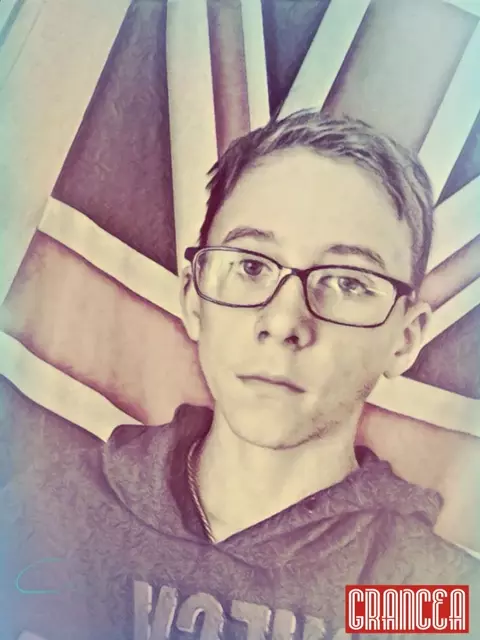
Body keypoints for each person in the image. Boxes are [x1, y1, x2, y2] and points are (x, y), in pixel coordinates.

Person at [1, 110, 479, 640]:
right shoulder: (52, 515)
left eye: (348, 282)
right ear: (194, 299)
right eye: (252, 266)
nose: (284, 321)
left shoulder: (423, 594)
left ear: (404, 339)